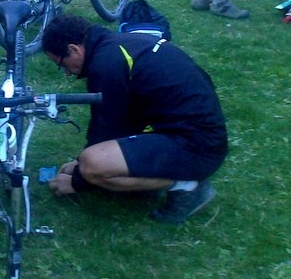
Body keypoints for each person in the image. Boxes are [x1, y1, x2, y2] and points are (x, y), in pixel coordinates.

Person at [41, 15, 229, 224]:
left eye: (61, 64)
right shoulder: (117, 45)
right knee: (89, 161)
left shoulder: (106, 65)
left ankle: (186, 186)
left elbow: (106, 132)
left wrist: (78, 181)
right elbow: (118, 121)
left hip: (198, 147)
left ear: (74, 49)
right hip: (199, 134)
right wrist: (78, 162)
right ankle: (154, 178)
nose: (66, 73)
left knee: (93, 165)